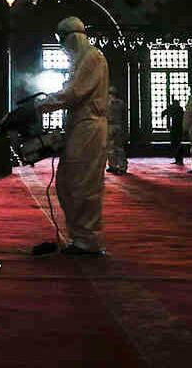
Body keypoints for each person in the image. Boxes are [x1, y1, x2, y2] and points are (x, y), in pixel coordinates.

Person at [35, 16, 109, 256]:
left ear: (73, 37)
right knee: (67, 182)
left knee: (84, 183)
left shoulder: (92, 57)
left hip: (89, 126)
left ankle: (89, 242)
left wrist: (43, 104)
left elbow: (74, 92)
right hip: (79, 127)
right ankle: (79, 237)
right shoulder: (80, 59)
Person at [106, 86, 128, 174]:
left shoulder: (106, 103)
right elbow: (124, 115)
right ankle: (121, 166)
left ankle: (113, 166)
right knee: (119, 147)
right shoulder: (121, 103)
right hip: (118, 125)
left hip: (110, 126)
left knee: (111, 147)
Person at [163, 98, 185, 165]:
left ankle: (179, 159)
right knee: (174, 144)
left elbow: (169, 113)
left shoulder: (180, 110)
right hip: (175, 130)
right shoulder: (176, 110)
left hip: (178, 130)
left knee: (177, 144)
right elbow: (165, 112)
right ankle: (177, 159)